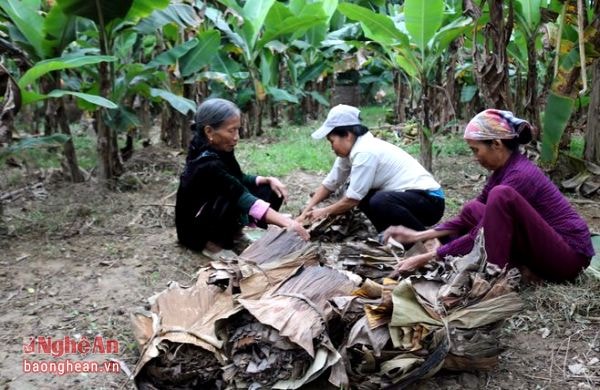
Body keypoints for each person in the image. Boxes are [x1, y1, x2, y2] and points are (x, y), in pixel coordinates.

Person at [383, 109, 595, 282]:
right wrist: (419, 235)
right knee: (471, 208)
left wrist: (427, 257)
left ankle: (496, 274)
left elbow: (481, 232)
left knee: (500, 196)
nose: (475, 157)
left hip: (568, 257)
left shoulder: (519, 176)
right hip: (548, 248)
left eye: (476, 150)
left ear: (496, 144)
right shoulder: (502, 171)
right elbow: (470, 216)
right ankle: (521, 268)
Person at [175, 98, 309, 255]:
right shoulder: (205, 163)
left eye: (237, 130)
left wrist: (266, 180)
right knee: (230, 198)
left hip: (218, 205)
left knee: (268, 189)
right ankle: (210, 243)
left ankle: (234, 232)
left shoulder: (220, 148)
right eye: (231, 130)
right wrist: (287, 222)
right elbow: (240, 195)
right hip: (194, 229)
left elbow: (237, 177)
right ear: (209, 131)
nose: (236, 136)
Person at [298, 104, 445, 234]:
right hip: (411, 198)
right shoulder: (351, 152)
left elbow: (352, 200)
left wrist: (324, 212)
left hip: (430, 201)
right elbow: (331, 183)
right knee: (367, 195)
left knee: (378, 200)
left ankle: (423, 238)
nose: (332, 147)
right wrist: (307, 209)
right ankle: (390, 236)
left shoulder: (365, 152)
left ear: (347, 135)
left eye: (332, 141)